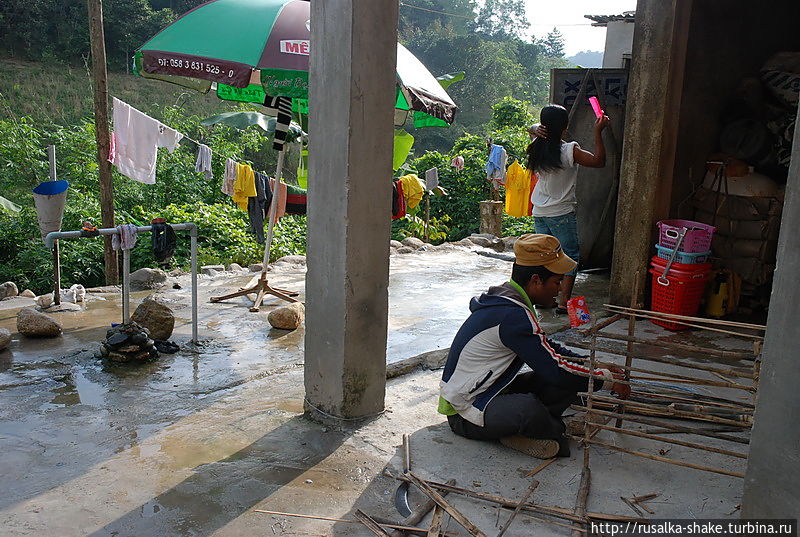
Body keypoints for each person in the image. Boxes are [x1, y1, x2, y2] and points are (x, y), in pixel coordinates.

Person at [438, 234, 629, 459]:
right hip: (465, 414)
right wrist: (605, 380)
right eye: (557, 282)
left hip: (492, 391)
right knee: (529, 406)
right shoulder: (513, 316)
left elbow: (549, 350)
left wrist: (594, 366)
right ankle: (555, 430)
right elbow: (556, 370)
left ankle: (524, 430)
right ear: (536, 280)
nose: (560, 290)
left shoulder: (511, 300)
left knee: (557, 380)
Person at [526, 104, 609, 313]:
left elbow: (532, 129)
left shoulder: (537, 145)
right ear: (565, 126)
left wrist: (536, 128)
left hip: (540, 213)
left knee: (546, 256)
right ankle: (563, 302)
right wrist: (597, 132)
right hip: (561, 213)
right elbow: (599, 161)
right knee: (570, 256)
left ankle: (544, 299)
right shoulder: (569, 150)